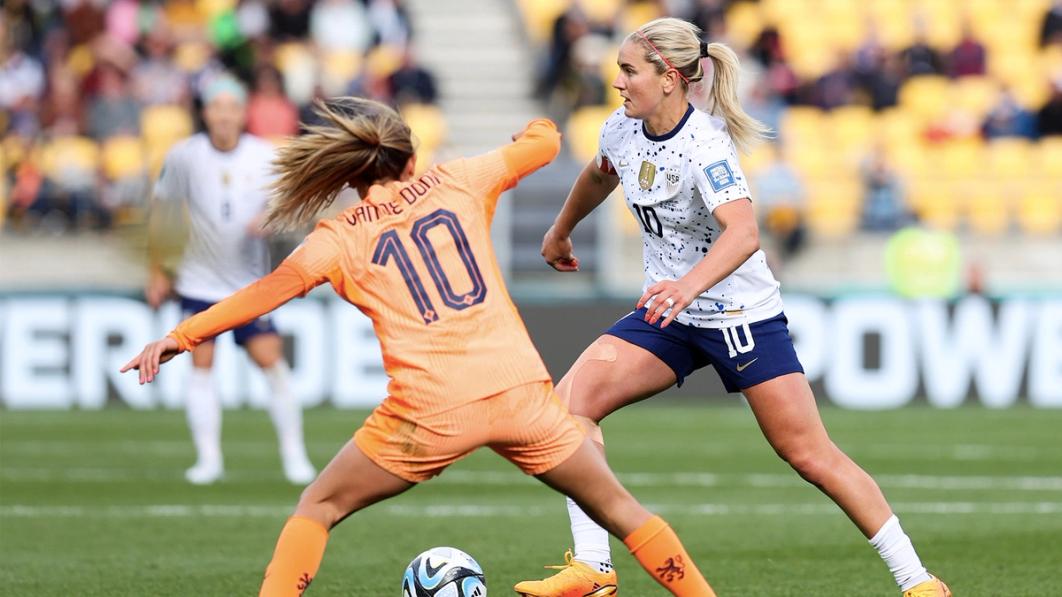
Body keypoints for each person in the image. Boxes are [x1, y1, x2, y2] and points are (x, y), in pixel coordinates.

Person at [122, 97, 719, 597]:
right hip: (521, 395)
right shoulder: (460, 179)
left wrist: (180, 336)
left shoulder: (337, 239)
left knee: (319, 506)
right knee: (623, 513)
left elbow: (264, 294)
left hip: (428, 411)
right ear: (411, 158)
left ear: (349, 175)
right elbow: (543, 144)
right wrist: (536, 129)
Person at [516, 17, 952, 597]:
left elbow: (743, 232)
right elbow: (601, 175)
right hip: (670, 313)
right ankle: (594, 569)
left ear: (669, 78)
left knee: (808, 453)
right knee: (566, 409)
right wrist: (561, 230)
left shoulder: (705, 146)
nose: (617, 81)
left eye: (628, 70)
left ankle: (918, 581)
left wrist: (689, 285)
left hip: (737, 316)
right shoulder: (622, 129)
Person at [145, 74, 315, 485]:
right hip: (198, 280)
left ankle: (295, 456)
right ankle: (208, 460)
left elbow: (296, 204)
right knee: (201, 367)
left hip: (248, 285)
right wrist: (157, 269)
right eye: (216, 107)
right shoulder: (185, 156)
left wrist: (272, 219)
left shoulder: (264, 155)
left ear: (243, 113)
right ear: (205, 112)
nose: (224, 115)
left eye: (232, 107)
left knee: (271, 362)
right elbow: (164, 212)